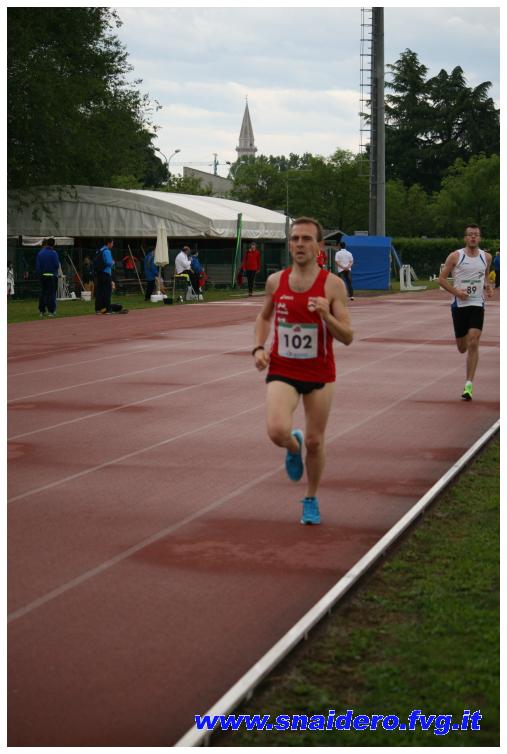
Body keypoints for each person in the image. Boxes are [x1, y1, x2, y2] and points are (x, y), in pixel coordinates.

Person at [252, 217, 353, 525]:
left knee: (315, 441)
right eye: (295, 238)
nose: (299, 244)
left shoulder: (333, 285)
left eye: (306, 239)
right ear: (289, 244)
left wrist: (326, 315)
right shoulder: (275, 281)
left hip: (319, 372)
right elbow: (264, 317)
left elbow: (347, 336)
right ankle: (291, 446)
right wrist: (258, 347)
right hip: (283, 367)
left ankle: (310, 497)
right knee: (277, 431)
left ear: (319, 246)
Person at [438, 224, 492, 401]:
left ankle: (469, 384)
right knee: (462, 348)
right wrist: (457, 292)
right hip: (459, 305)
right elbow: (441, 279)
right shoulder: (455, 256)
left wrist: (487, 286)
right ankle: (466, 343)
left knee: (474, 341)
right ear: (465, 238)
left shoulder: (486, 257)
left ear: (480, 237)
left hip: (477, 303)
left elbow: (484, 275)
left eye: (476, 234)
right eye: (470, 235)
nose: (473, 237)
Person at [35, 238, 60, 317]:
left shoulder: (40, 253)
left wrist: (40, 274)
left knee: (43, 293)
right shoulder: (54, 253)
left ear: (46, 244)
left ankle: (42, 311)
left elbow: (38, 266)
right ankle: (51, 311)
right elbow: (56, 265)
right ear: (53, 244)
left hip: (42, 275)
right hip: (51, 275)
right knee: (51, 293)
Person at [94, 238, 116, 314]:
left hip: (99, 273)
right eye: (112, 243)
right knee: (107, 291)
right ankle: (107, 309)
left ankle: (98, 309)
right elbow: (109, 262)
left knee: (100, 291)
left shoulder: (99, 250)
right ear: (108, 243)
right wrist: (113, 262)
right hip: (106, 273)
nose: (112, 245)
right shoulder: (107, 251)